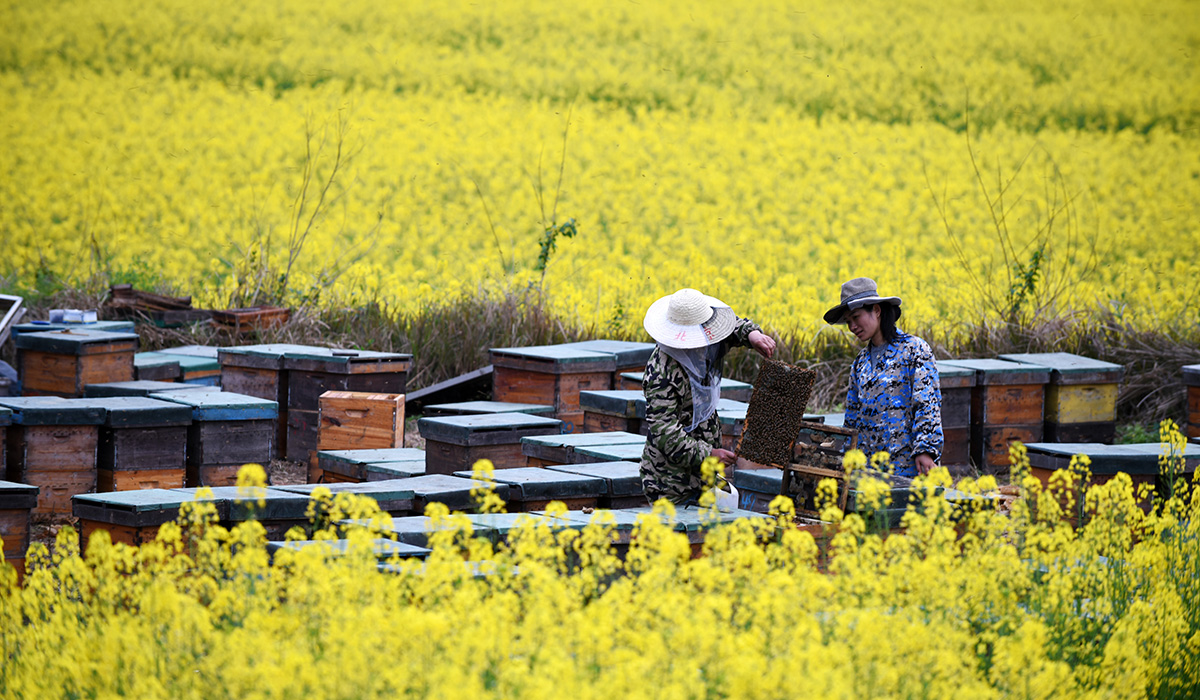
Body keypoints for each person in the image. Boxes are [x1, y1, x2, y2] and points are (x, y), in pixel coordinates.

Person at [640, 288, 776, 505]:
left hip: (706, 477)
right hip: (670, 482)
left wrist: (752, 334)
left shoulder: (707, 339)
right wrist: (709, 454)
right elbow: (665, 434)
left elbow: (731, 328)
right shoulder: (661, 374)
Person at [824, 277, 942, 477]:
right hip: (869, 473)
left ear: (877, 311)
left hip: (907, 468)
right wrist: (847, 455)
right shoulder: (860, 363)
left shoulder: (914, 350)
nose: (852, 326)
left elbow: (927, 404)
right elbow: (852, 417)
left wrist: (926, 450)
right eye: (848, 321)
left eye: (856, 317)